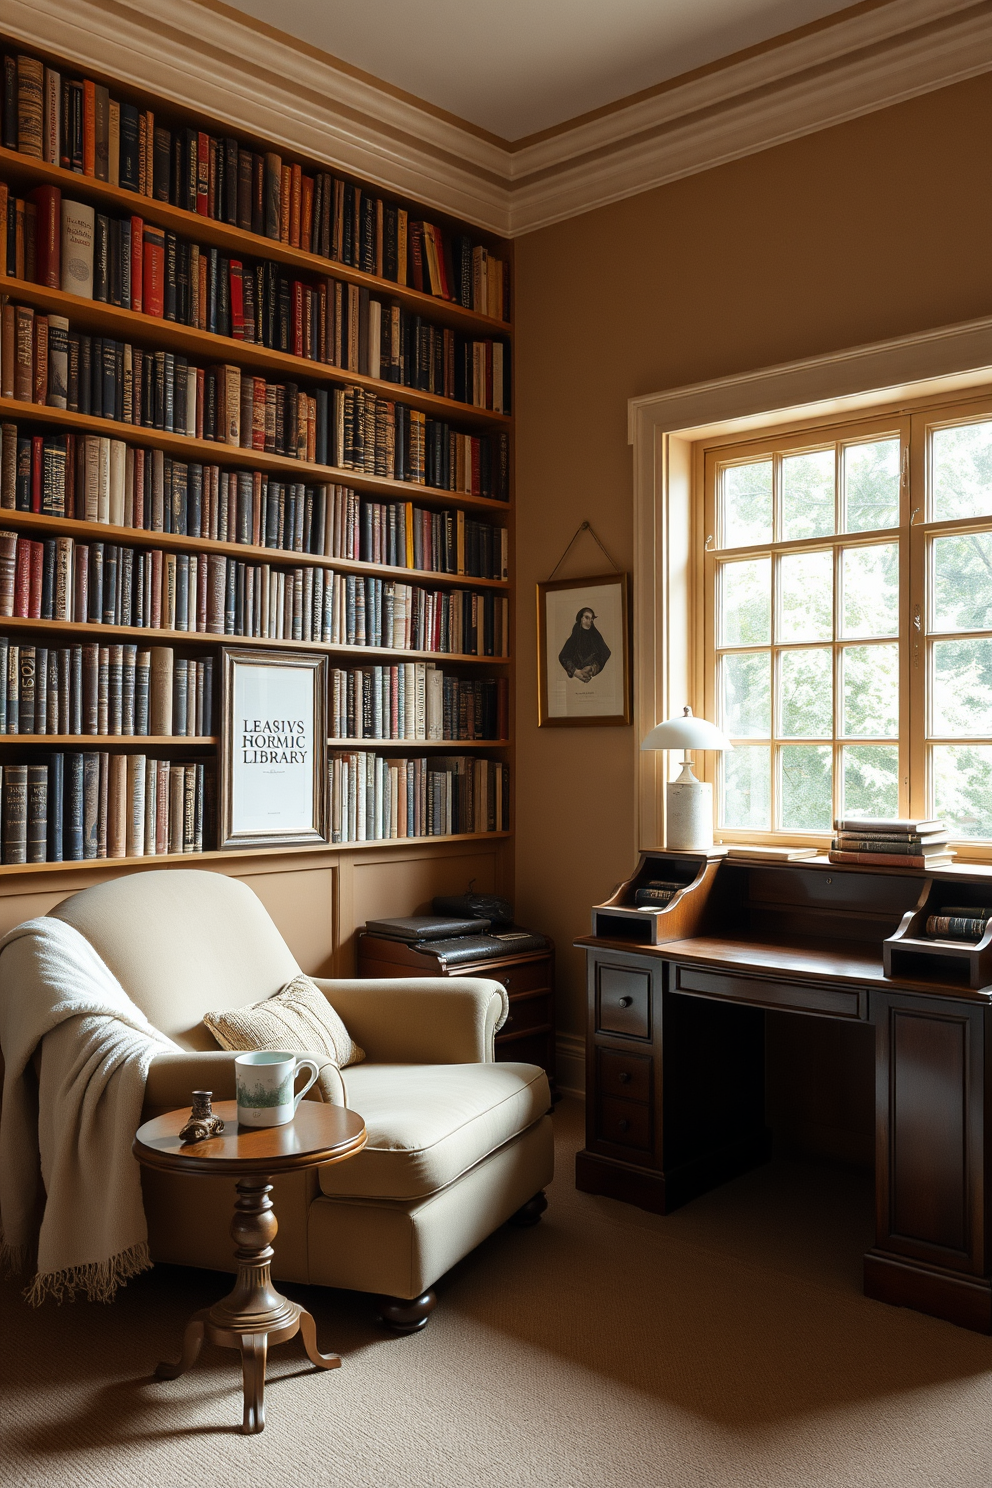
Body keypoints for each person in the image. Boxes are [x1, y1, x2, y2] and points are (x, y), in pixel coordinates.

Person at [558, 606, 611, 683]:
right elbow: (563, 656)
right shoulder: (575, 635)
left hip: (594, 679)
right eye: (587, 617)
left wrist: (593, 668)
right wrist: (576, 672)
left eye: (592, 618)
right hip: (574, 681)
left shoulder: (596, 635)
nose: (590, 620)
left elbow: (606, 653)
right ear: (581, 619)